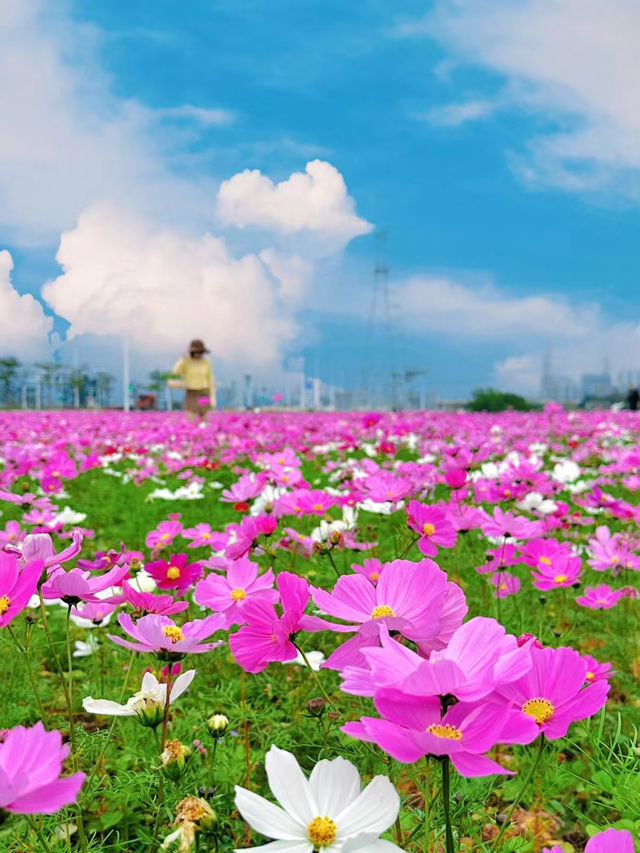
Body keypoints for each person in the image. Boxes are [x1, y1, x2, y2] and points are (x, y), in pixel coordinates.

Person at [171, 339, 216, 420]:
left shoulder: (206, 362)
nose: (198, 354)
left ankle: (204, 432)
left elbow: (210, 380)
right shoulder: (186, 362)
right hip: (191, 392)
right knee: (191, 417)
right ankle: (192, 432)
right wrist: (183, 359)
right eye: (196, 352)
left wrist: (212, 397)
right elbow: (175, 372)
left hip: (204, 391)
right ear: (192, 352)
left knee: (204, 416)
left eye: (200, 352)